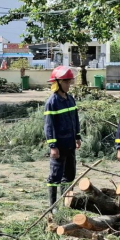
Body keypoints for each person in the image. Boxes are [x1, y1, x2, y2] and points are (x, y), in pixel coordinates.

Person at [44, 66, 82, 206]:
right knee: (55, 176)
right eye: (66, 82)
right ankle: (53, 206)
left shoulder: (70, 99)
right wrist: (53, 146)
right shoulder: (52, 102)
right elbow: (49, 126)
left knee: (70, 175)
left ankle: (66, 204)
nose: (68, 85)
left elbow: (75, 119)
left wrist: (77, 137)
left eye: (69, 82)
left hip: (70, 145)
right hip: (59, 147)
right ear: (58, 83)